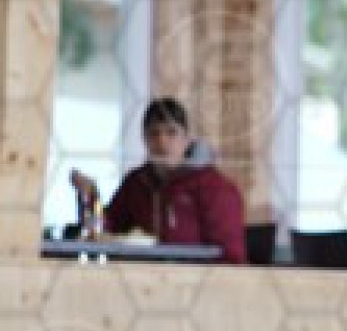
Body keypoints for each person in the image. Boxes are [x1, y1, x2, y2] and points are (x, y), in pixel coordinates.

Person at [70, 97, 246, 264]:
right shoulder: (137, 182)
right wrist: (91, 196)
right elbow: (107, 229)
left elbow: (230, 257)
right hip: (142, 276)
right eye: (154, 134)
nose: (162, 141)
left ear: (186, 140)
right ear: (144, 140)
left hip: (195, 278)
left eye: (171, 133)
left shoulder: (215, 188)